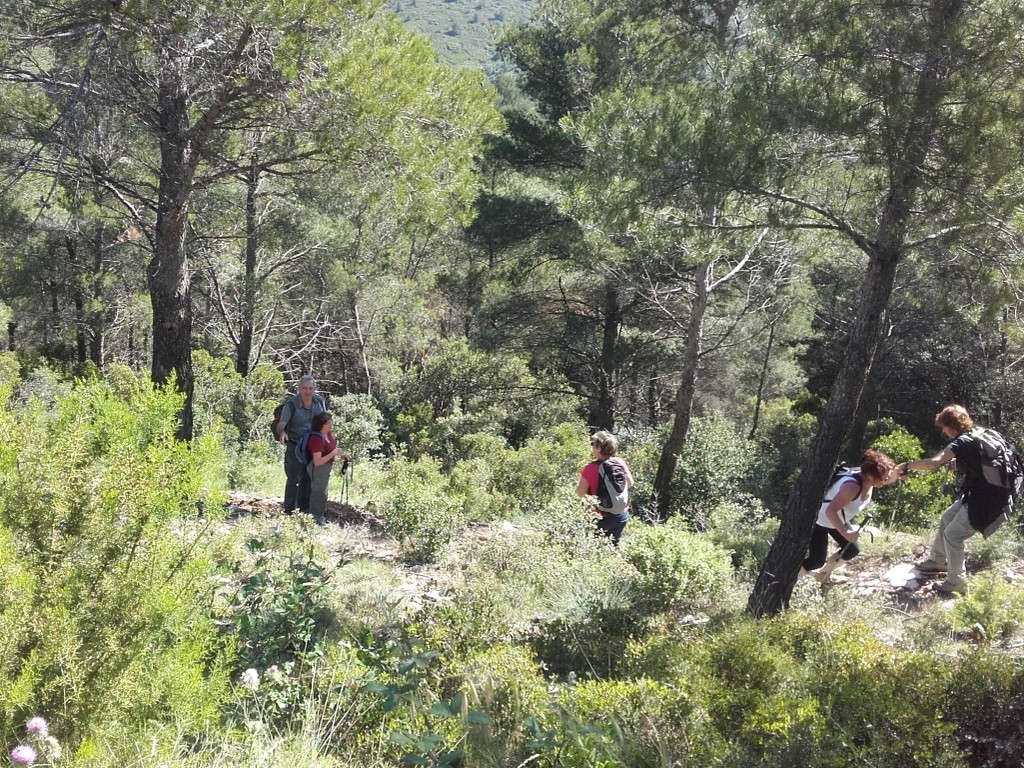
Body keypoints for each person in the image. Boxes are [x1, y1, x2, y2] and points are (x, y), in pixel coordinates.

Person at [896, 404, 1015, 596]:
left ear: (952, 425)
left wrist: (906, 465)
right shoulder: (981, 433)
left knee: (953, 535)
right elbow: (983, 458)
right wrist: (960, 460)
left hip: (986, 501)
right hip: (986, 494)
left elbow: (934, 462)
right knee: (947, 517)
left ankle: (956, 581)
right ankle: (938, 561)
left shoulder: (962, 442)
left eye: (944, 427)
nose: (943, 431)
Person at [800, 450, 897, 584]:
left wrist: (903, 470)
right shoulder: (852, 486)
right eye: (883, 478)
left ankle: (822, 575)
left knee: (852, 549)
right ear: (869, 475)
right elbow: (830, 511)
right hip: (821, 520)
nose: (885, 481)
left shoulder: (870, 480)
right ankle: (789, 579)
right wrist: (845, 532)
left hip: (838, 519)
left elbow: (892, 474)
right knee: (816, 560)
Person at [276, 375, 326, 515]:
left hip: (312, 446)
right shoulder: (291, 404)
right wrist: (283, 433)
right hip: (295, 445)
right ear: (299, 388)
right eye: (304, 388)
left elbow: (324, 422)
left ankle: (305, 510)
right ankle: (289, 511)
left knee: (309, 477)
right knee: (294, 479)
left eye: (310, 388)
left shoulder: (319, 402)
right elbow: (281, 424)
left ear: (314, 389)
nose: (307, 391)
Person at [576, 430, 634, 545]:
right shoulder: (619, 462)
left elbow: (580, 493)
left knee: (595, 548)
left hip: (600, 517)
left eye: (593, 444)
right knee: (614, 546)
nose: (592, 447)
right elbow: (630, 482)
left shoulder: (590, 469)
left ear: (598, 448)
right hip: (621, 515)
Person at [305, 411, 351, 526]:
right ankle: (315, 519)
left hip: (326, 468)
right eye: (328, 422)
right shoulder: (316, 439)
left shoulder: (328, 435)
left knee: (322, 492)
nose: (331, 424)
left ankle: (319, 516)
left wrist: (342, 454)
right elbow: (317, 461)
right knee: (319, 493)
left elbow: (332, 449)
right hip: (318, 469)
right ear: (321, 425)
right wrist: (333, 454)